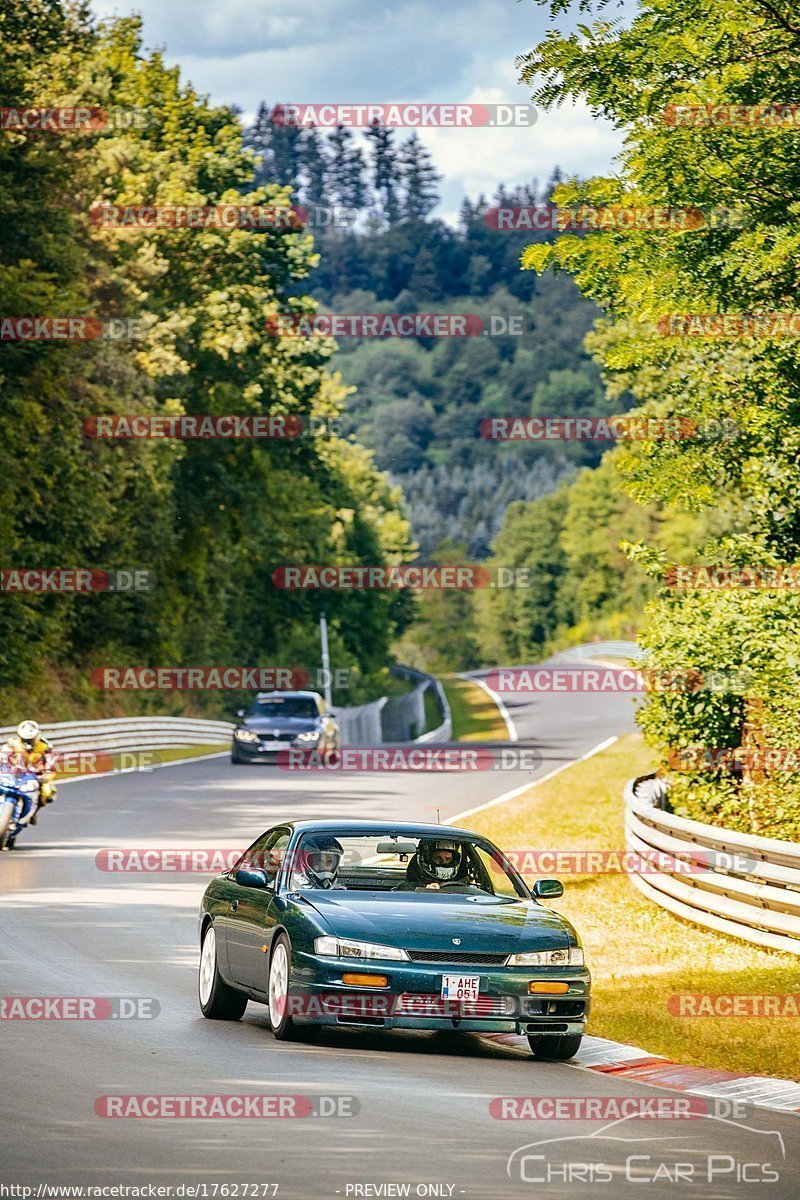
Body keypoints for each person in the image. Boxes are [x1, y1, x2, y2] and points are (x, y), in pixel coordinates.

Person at [0, 721, 57, 825]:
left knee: (47, 792)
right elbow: (2, 755)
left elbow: (51, 764)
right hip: (13, 772)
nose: (27, 742)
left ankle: (34, 812)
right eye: (25, 739)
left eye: (30, 739)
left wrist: (45, 776)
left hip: (35, 775)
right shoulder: (12, 743)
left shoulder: (45, 746)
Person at [400, 838, 467, 890]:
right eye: (438, 858)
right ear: (428, 858)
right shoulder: (407, 887)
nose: (443, 862)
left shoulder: (462, 885)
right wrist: (423, 889)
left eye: (448, 859)